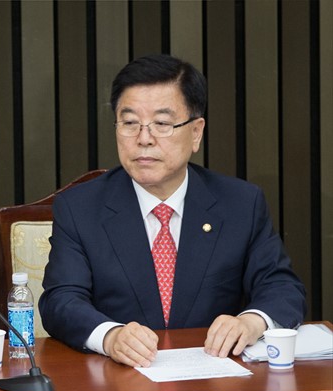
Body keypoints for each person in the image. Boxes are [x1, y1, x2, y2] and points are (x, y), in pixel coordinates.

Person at [38, 54, 306, 368]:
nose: (144, 139)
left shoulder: (240, 204)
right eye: (130, 123)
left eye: (162, 124)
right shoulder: (80, 208)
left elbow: (282, 288)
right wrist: (110, 336)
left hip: (216, 377)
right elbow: (61, 300)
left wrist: (251, 322)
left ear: (196, 132)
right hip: (119, 379)